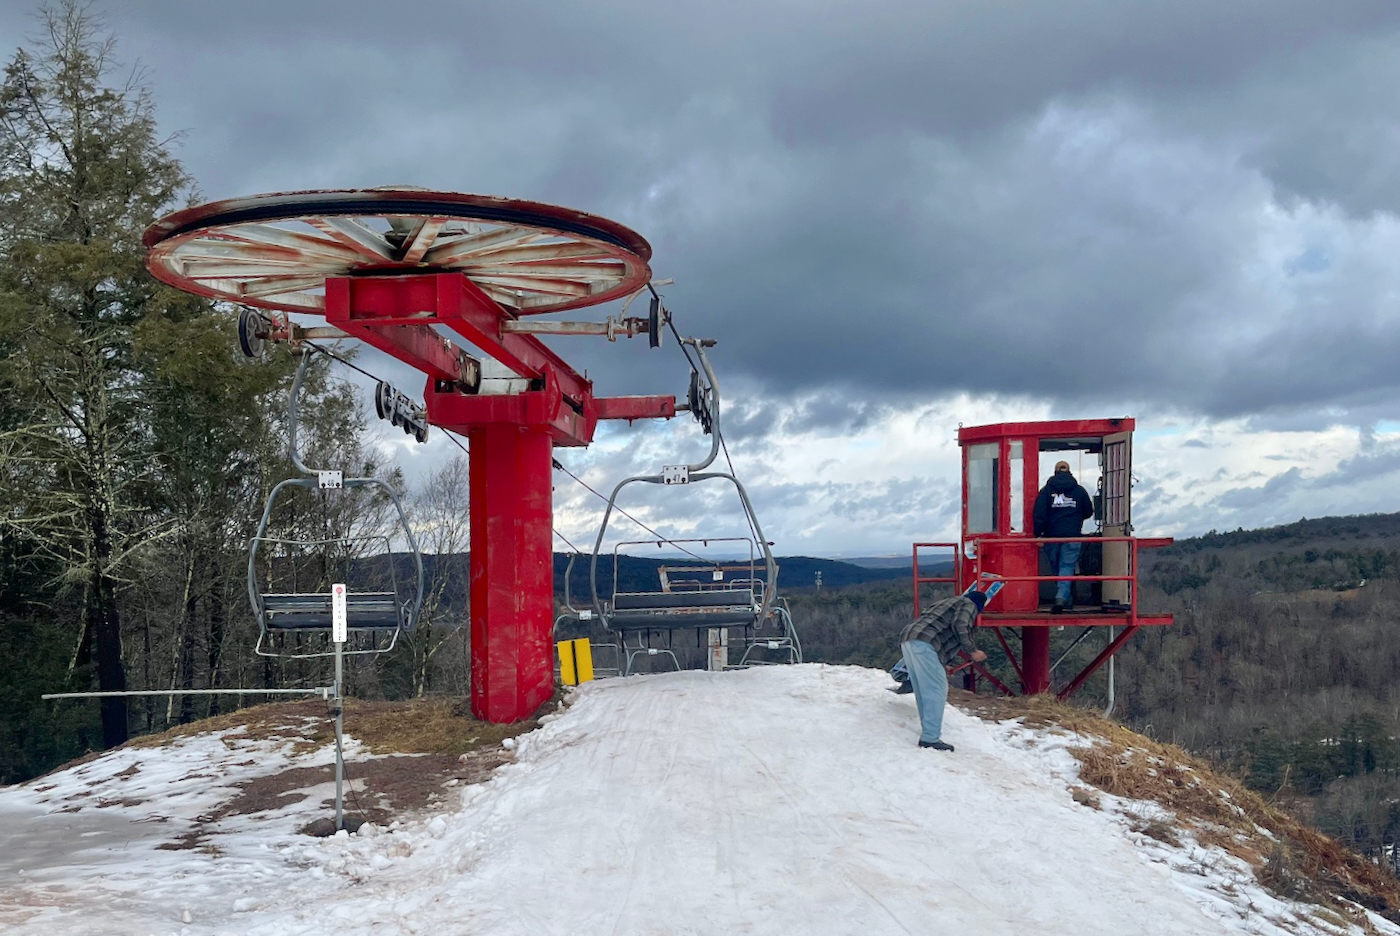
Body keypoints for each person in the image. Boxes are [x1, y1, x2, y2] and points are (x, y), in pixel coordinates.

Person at [899, 591, 988, 752]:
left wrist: (941, 662)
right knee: (937, 689)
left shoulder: (946, 601)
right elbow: (960, 625)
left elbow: (940, 629)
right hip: (925, 643)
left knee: (923, 689)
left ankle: (928, 731)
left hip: (910, 639)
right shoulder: (969, 604)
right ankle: (930, 737)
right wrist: (972, 651)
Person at [1033, 460, 1095, 612]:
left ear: (1055, 472)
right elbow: (1088, 511)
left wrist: (1038, 534)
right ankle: (1063, 598)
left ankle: (1062, 597)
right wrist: (1075, 517)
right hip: (1072, 536)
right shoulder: (1079, 491)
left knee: (1056, 567)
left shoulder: (1046, 491)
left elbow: (1039, 514)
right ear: (1069, 472)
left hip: (1051, 537)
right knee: (1066, 567)